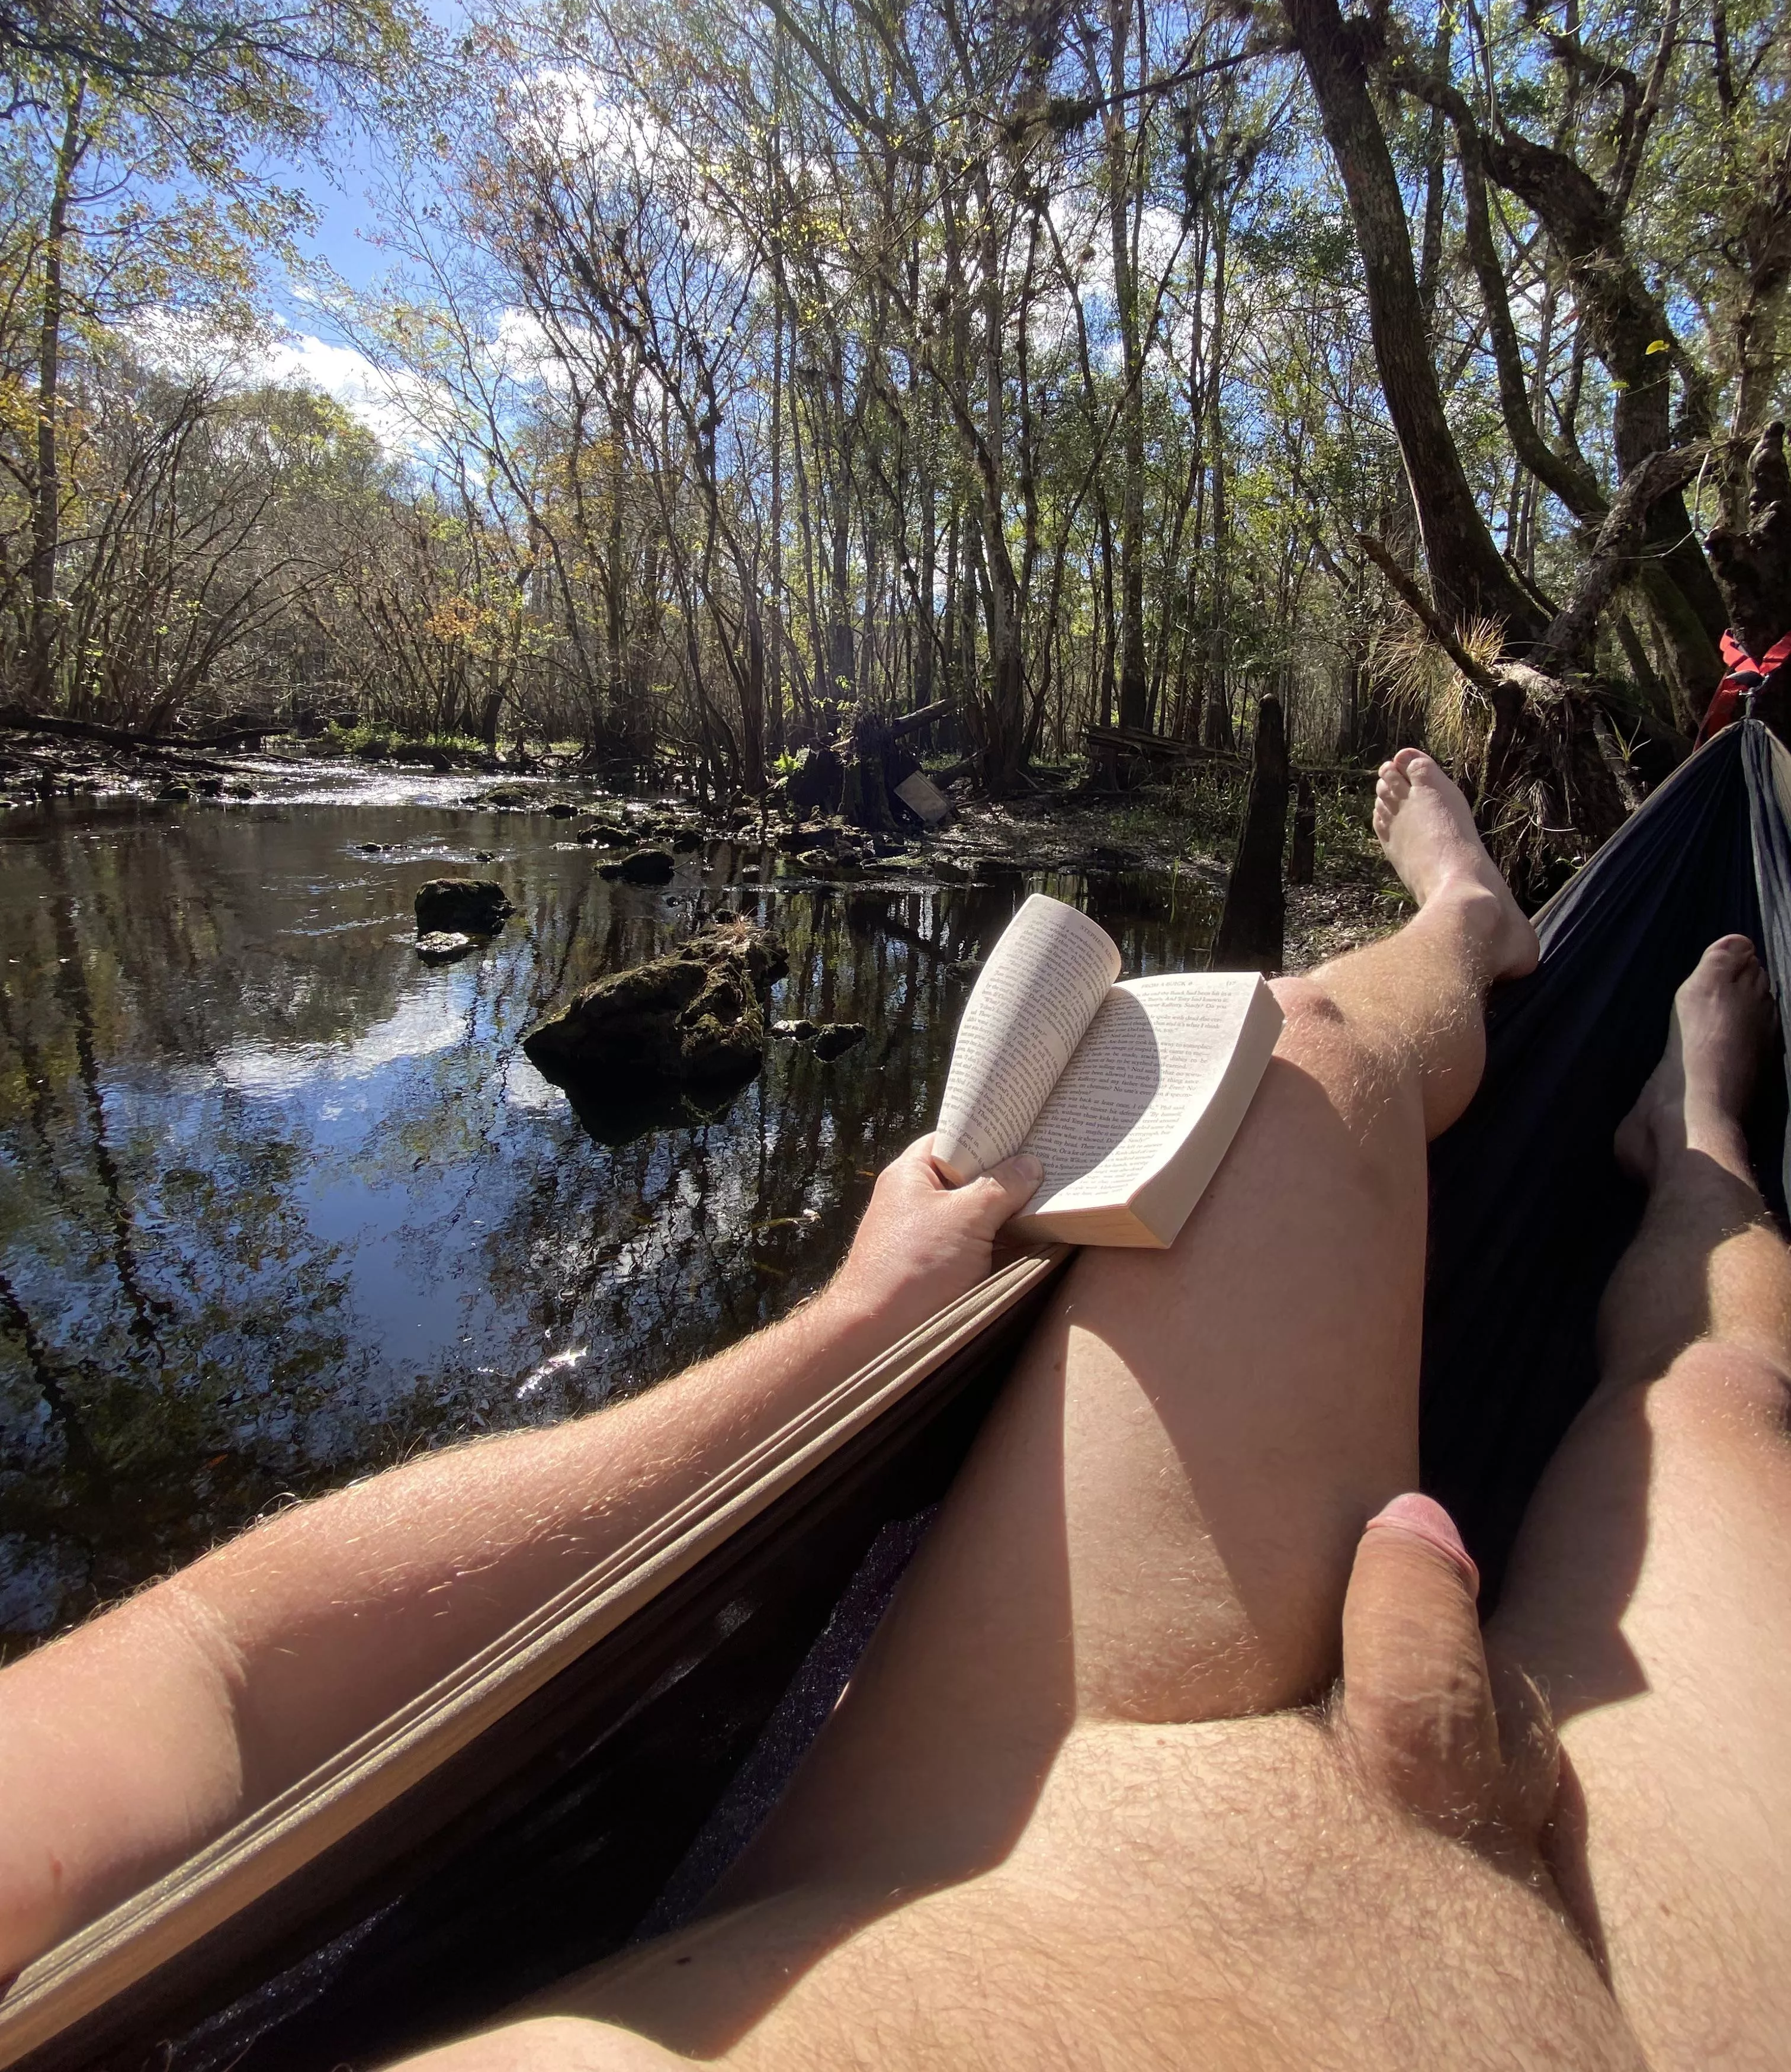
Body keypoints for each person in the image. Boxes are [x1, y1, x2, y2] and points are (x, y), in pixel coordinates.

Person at [3, 753, 1787, 2070]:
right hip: (1674, 1990)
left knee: (1301, 1062)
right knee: (1725, 1393)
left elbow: (227, 1674)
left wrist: (852, 1332)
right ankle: (1698, 1150)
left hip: (1072, 1796)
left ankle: (1464, 942)